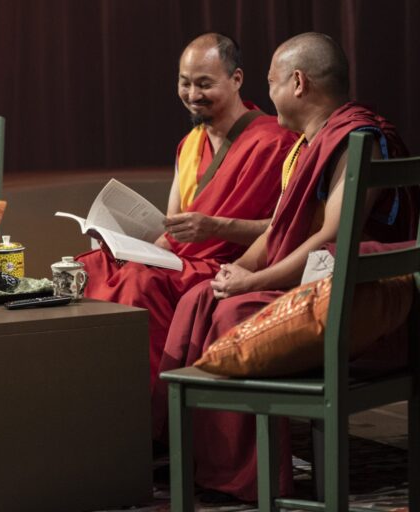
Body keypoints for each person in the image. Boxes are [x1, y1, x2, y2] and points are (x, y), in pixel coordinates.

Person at [154, 32, 415, 503]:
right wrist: (233, 272)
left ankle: (250, 480)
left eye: (272, 82)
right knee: (199, 298)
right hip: (318, 281)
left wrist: (253, 281)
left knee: (236, 313)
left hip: (353, 297)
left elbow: (329, 240)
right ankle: (207, 467)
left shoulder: (358, 138)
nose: (268, 92)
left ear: (297, 83)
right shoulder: (307, 145)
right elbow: (279, 233)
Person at [77, 33, 297, 391]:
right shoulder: (189, 144)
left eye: (204, 84)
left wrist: (215, 227)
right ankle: (97, 398)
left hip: (229, 266)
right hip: (183, 263)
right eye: (185, 83)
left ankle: (147, 412)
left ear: (236, 79)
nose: (192, 95)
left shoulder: (275, 141)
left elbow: (285, 229)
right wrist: (121, 241)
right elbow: (172, 227)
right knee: (89, 266)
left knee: (138, 284)